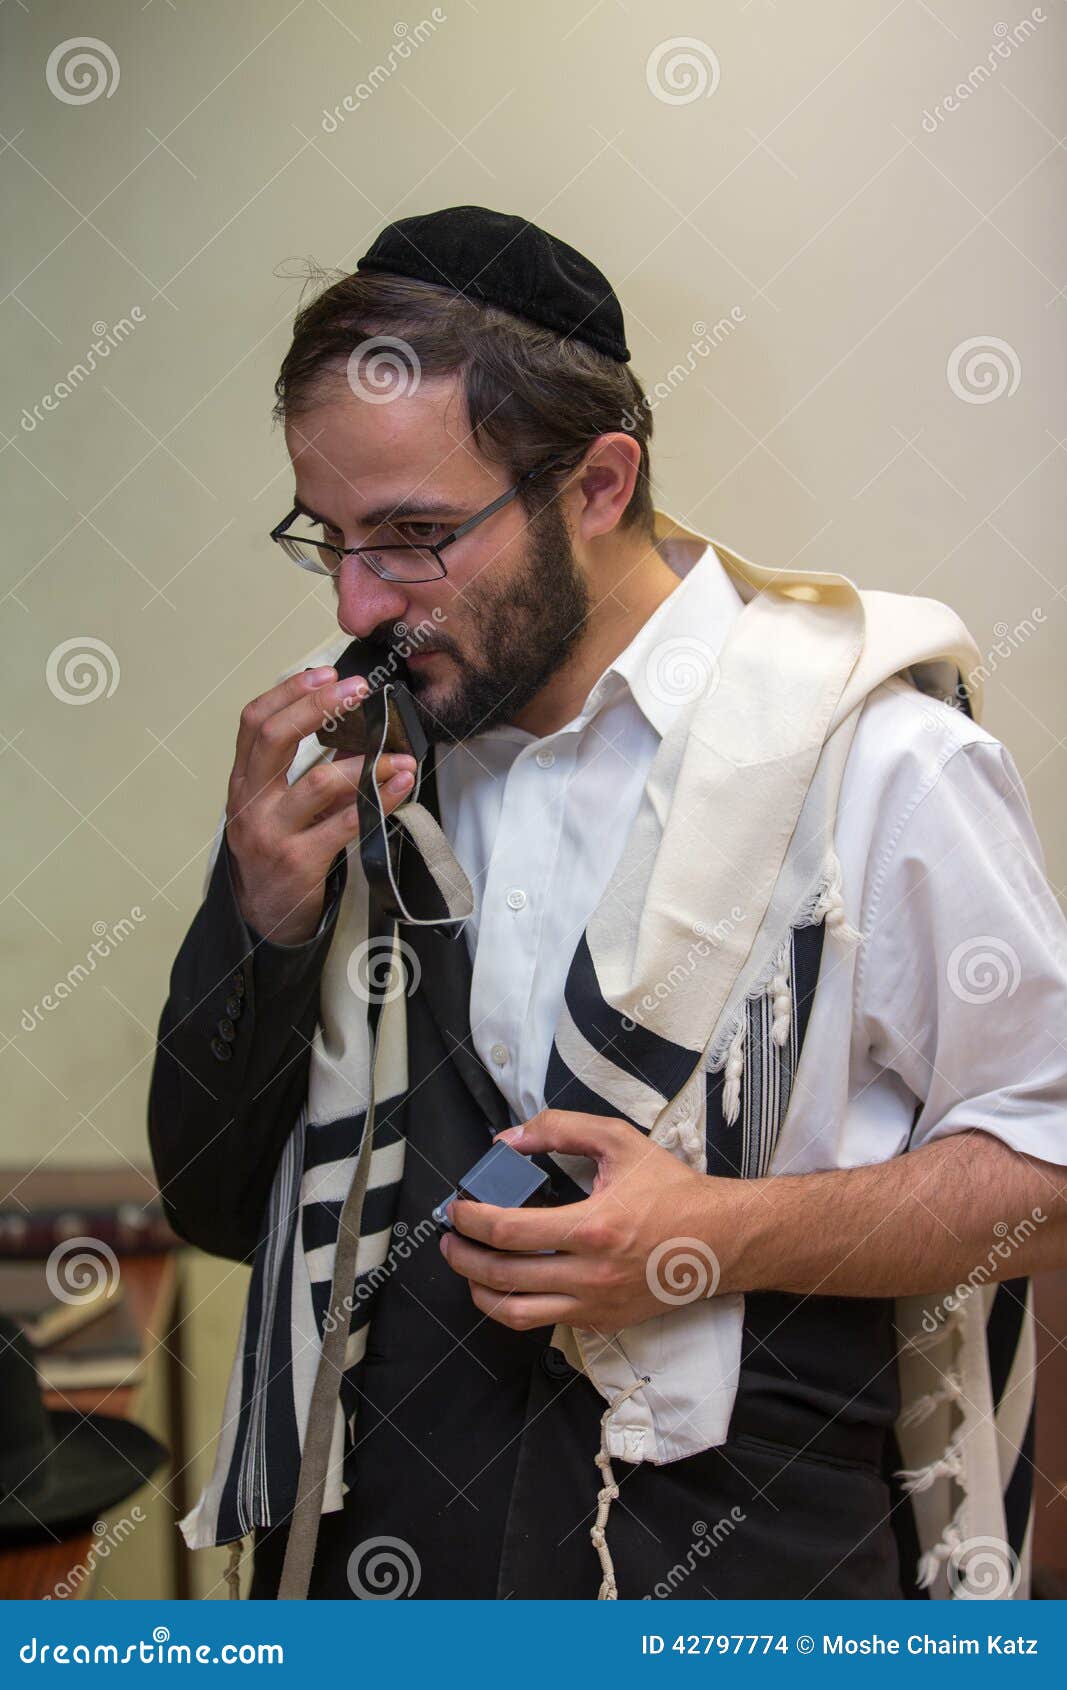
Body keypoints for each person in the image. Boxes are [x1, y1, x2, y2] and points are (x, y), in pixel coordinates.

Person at [149, 206, 1067, 1602]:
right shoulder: (351, 759)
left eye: (411, 534)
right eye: (323, 535)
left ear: (596, 481)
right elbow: (212, 1200)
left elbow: (1049, 1175)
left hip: (746, 1580)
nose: (356, 600)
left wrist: (717, 1236)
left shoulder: (880, 760)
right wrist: (267, 920)